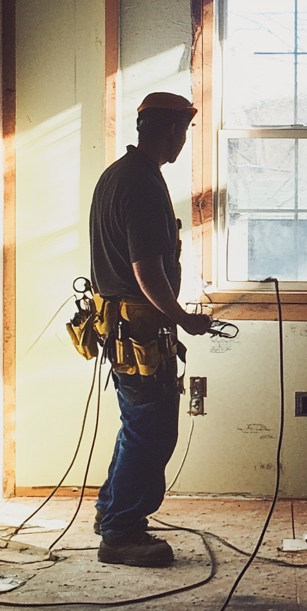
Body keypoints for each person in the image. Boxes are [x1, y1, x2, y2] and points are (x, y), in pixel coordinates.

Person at [89, 91, 212, 567]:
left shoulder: (120, 175)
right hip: (139, 327)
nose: (183, 140)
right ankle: (121, 532)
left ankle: (112, 511)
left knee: (137, 425)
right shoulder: (140, 184)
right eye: (184, 131)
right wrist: (182, 317)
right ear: (172, 132)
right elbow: (146, 269)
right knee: (152, 431)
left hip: (124, 326)